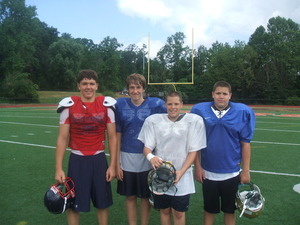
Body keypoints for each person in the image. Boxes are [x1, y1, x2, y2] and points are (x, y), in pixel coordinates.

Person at [55, 70, 117, 225]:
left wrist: (113, 166)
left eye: (91, 83)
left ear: (97, 86)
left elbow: (112, 137)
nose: (88, 87)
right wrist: (58, 168)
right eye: (84, 83)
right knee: (73, 205)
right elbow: (62, 138)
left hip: (99, 159)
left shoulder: (106, 105)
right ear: (78, 86)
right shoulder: (68, 106)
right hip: (77, 159)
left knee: (102, 204)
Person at [191, 81, 256, 225]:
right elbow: (194, 143)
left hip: (231, 173)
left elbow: (245, 144)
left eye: (224, 94)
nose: (221, 96)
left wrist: (246, 171)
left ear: (230, 95)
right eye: (218, 93)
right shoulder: (200, 111)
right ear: (212, 94)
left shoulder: (242, 112)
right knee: (209, 210)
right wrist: (198, 166)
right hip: (208, 172)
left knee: (230, 210)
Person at [138, 91, 207, 225]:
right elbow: (146, 148)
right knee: (164, 210)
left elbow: (193, 151)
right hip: (161, 174)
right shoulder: (154, 121)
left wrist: (181, 172)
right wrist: (151, 157)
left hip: (182, 174)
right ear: (165, 105)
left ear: (181, 104)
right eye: (170, 104)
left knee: (179, 212)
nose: (173, 107)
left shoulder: (192, 122)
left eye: (176, 104)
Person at [115, 73, 167, 225]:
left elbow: (169, 120)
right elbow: (117, 134)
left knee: (145, 196)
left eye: (138, 87)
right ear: (128, 89)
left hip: (148, 157)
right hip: (127, 155)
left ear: (144, 89)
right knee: (130, 195)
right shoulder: (120, 105)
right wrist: (116, 162)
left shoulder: (155, 105)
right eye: (132, 87)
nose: (135, 91)